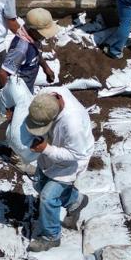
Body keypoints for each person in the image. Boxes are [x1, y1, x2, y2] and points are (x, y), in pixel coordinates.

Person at [25, 89, 93, 251]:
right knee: (39, 185)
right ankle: (75, 201)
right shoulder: (45, 98)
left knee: (47, 197)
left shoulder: (72, 123)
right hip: (52, 148)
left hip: (72, 160)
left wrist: (46, 149)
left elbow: (76, 153)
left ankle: (51, 237)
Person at [1, 7, 59, 92]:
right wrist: (10, 95)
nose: (44, 36)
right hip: (18, 92)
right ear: (32, 30)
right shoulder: (21, 49)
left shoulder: (34, 39)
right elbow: (3, 73)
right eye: (42, 33)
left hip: (27, 88)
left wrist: (45, 68)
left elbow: (36, 53)